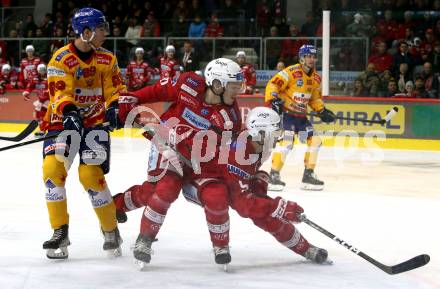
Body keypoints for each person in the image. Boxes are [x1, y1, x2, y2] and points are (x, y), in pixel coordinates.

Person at [114, 107, 329, 267]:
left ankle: (305, 248)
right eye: (274, 133)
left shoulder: (258, 146)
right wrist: (280, 207)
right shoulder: (240, 153)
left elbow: (245, 191)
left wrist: (262, 190)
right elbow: (244, 205)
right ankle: (118, 206)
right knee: (161, 192)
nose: (278, 138)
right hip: (185, 166)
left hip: (209, 169)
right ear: (260, 133)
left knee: (262, 210)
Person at [114, 58, 245, 266]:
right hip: (166, 144)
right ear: (217, 84)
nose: (238, 92)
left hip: (197, 160)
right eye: (234, 86)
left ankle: (220, 243)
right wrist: (133, 98)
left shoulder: (231, 116)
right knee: (163, 190)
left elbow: (223, 151)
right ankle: (143, 238)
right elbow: (158, 91)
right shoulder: (188, 83)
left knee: (209, 195)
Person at [40, 7, 126, 259]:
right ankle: (60, 231)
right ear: (85, 32)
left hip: (95, 124)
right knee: (52, 171)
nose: (105, 34)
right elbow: (59, 92)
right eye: (101, 29)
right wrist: (70, 112)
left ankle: (110, 230)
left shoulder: (107, 59)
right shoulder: (61, 58)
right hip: (62, 121)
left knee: (90, 175)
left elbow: (116, 88)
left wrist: (114, 107)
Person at [265, 44, 336, 191]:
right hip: (287, 115)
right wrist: (273, 100)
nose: (311, 59)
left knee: (315, 141)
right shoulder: (290, 72)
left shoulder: (316, 78)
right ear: (301, 58)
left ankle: (308, 175)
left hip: (301, 118)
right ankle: (273, 175)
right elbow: (273, 85)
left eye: (313, 56)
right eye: (308, 56)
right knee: (287, 143)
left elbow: (314, 98)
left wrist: (322, 111)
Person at [23, 63, 49, 136]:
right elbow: (30, 86)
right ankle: (42, 130)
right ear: (37, 71)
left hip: (49, 100)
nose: (42, 72)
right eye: (40, 70)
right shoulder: (35, 78)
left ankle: (44, 130)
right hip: (41, 100)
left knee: (44, 115)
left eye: (43, 70)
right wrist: (27, 92)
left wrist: (48, 91)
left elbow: (54, 86)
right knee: (37, 115)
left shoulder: (49, 77)